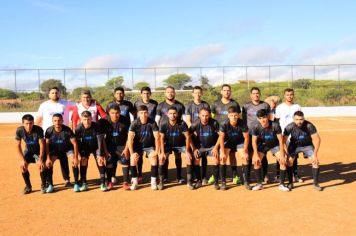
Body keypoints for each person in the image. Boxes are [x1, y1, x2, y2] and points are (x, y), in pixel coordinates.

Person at [36, 86, 73, 187]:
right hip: (49, 136)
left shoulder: (66, 103)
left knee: (64, 159)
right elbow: (38, 120)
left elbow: (78, 106)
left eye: (56, 92)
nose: (54, 94)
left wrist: (91, 100)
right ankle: (49, 181)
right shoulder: (44, 105)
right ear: (49, 94)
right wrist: (36, 135)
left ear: (59, 93)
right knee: (48, 159)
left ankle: (67, 180)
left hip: (64, 135)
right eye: (52, 93)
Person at [251, 109, 290, 192]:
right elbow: (254, 141)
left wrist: (282, 155)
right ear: (258, 119)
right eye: (260, 118)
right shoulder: (256, 127)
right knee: (256, 161)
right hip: (262, 145)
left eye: (264, 117)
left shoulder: (275, 125)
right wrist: (255, 154)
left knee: (283, 161)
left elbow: (280, 140)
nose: (263, 120)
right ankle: (259, 184)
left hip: (274, 145)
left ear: (267, 117)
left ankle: (282, 184)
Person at [210, 84, 241, 185]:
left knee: (232, 154)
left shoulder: (235, 104)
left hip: (232, 134)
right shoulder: (215, 104)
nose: (227, 92)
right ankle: (216, 176)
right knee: (217, 155)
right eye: (225, 90)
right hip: (219, 133)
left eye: (228, 90)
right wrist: (215, 130)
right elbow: (212, 118)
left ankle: (235, 175)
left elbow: (238, 118)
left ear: (230, 92)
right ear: (221, 92)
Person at [283, 111, 323, 191]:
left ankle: (316, 183)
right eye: (297, 119)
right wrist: (286, 153)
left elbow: (317, 140)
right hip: (294, 145)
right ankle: (290, 182)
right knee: (289, 161)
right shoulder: (289, 127)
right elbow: (283, 141)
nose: (299, 121)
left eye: (301, 119)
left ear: (304, 118)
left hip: (307, 145)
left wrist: (315, 154)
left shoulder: (309, 126)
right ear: (294, 119)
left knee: (315, 162)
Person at [106, 87, 136, 183]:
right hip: (113, 134)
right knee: (111, 158)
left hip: (123, 130)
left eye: (121, 93)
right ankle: (112, 176)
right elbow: (107, 117)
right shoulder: (110, 105)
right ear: (114, 95)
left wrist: (134, 125)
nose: (119, 95)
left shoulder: (128, 104)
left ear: (123, 94)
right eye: (117, 93)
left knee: (126, 157)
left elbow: (134, 115)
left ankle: (129, 178)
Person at [242, 87, 272, 184]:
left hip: (263, 135)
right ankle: (248, 176)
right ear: (251, 95)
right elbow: (243, 120)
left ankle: (265, 175)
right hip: (250, 134)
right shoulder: (246, 106)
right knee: (250, 155)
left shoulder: (265, 105)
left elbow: (270, 119)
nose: (256, 95)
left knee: (263, 155)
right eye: (254, 93)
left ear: (260, 94)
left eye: (257, 93)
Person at [159, 107, 193, 190]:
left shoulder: (182, 123)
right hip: (168, 145)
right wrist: (162, 152)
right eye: (170, 113)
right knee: (162, 159)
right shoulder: (163, 123)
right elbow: (161, 138)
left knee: (188, 158)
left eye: (174, 113)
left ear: (177, 114)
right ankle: (161, 181)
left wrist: (187, 151)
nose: (172, 115)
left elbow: (188, 137)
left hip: (180, 144)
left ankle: (187, 181)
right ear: (167, 114)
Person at [156, 86, 185, 182]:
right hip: (165, 134)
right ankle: (164, 176)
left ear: (174, 93)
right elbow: (157, 120)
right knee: (165, 155)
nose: (170, 94)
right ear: (165, 93)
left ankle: (179, 176)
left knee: (178, 156)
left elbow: (184, 120)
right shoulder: (160, 106)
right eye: (168, 92)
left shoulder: (180, 105)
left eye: (172, 92)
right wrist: (158, 133)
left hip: (177, 135)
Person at [127, 105, 160, 190]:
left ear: (148, 113)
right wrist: (132, 153)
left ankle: (153, 182)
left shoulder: (152, 123)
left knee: (154, 158)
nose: (144, 115)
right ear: (138, 114)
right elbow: (130, 139)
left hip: (149, 146)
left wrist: (156, 151)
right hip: (137, 146)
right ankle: (134, 182)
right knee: (133, 160)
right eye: (141, 113)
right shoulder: (134, 123)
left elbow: (157, 137)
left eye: (145, 112)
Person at [44, 114, 79, 193]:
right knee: (48, 164)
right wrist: (48, 158)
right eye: (55, 121)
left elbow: (75, 143)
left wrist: (76, 157)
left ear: (62, 121)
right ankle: (50, 184)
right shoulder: (49, 131)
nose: (57, 122)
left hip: (67, 149)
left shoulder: (67, 130)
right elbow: (46, 144)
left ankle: (75, 183)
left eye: (59, 120)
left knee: (74, 162)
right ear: (52, 121)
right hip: (55, 151)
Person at [99, 105, 131, 190]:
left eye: (117, 113)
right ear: (109, 113)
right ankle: (109, 182)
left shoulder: (125, 120)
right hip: (109, 145)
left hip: (122, 145)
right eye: (112, 113)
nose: (115, 115)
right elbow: (101, 138)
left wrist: (126, 149)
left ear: (120, 113)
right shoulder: (104, 121)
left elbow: (129, 136)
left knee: (125, 159)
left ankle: (125, 182)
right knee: (109, 160)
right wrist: (105, 151)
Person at [190, 108, 222, 190]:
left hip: (212, 146)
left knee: (216, 160)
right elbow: (188, 137)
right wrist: (193, 148)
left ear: (210, 115)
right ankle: (199, 181)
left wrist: (216, 147)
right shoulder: (195, 124)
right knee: (196, 160)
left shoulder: (214, 123)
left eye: (207, 115)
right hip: (200, 147)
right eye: (203, 115)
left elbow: (221, 136)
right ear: (199, 115)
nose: (205, 117)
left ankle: (216, 182)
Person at [219, 106, 251, 190]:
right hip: (228, 142)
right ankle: (223, 182)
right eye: (232, 115)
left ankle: (246, 181)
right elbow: (221, 138)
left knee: (245, 157)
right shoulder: (224, 124)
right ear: (228, 116)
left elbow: (247, 137)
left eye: (235, 115)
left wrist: (244, 150)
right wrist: (222, 152)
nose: (234, 117)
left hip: (240, 142)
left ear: (238, 115)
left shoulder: (242, 123)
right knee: (222, 158)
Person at [75, 111, 108, 192]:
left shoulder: (97, 126)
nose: (87, 122)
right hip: (84, 147)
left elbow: (100, 141)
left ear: (91, 118)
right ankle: (84, 182)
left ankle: (103, 183)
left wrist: (100, 154)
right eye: (85, 119)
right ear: (81, 119)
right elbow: (78, 143)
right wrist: (80, 154)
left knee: (100, 161)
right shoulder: (78, 128)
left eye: (89, 119)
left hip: (96, 147)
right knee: (83, 161)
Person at [275, 88, 303, 183]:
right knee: (281, 154)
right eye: (287, 94)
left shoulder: (297, 106)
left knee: (294, 155)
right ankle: (278, 175)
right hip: (283, 135)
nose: (289, 96)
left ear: (293, 95)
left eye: (291, 94)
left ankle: (295, 175)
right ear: (284, 95)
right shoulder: (280, 107)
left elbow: (301, 120)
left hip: (295, 135)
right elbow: (276, 122)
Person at [16, 114, 46, 194]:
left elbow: (42, 144)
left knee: (41, 166)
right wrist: (22, 160)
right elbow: (17, 145)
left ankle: (43, 185)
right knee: (23, 167)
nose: (29, 125)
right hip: (28, 152)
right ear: (23, 123)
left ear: (33, 123)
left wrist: (40, 159)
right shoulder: (20, 130)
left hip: (37, 152)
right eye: (26, 123)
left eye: (31, 123)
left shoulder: (38, 129)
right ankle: (28, 186)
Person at [133, 86, 158, 182]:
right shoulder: (136, 103)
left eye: (147, 93)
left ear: (150, 94)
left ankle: (156, 176)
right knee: (139, 153)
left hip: (151, 128)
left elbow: (156, 117)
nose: (146, 95)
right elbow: (135, 117)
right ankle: (139, 173)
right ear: (141, 94)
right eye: (144, 93)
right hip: (140, 129)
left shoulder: (154, 103)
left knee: (152, 154)